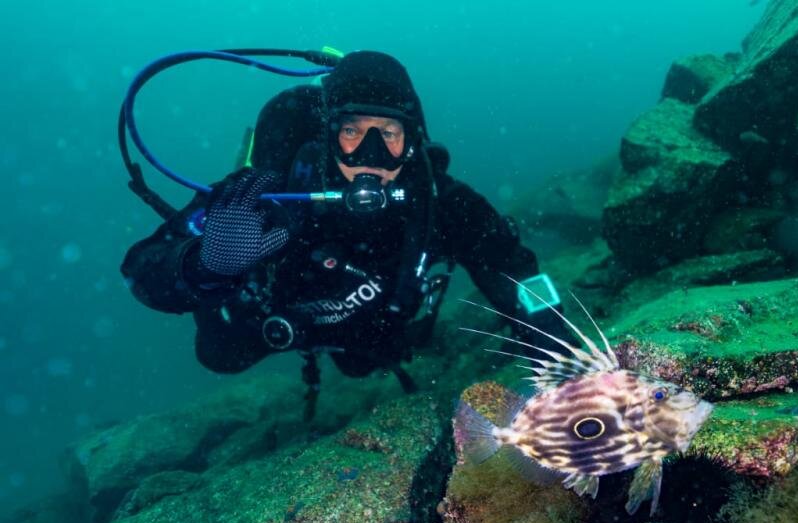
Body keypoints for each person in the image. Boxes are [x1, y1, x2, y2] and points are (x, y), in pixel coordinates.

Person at [120, 50, 566, 403]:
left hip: (371, 331)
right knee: (219, 355)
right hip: (277, 320)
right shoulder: (268, 194)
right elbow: (142, 270)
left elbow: (518, 269)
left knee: (364, 361)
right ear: (328, 135)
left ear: (412, 142)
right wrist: (204, 265)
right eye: (352, 132)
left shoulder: (442, 201)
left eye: (388, 134)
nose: (369, 154)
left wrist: (562, 349)